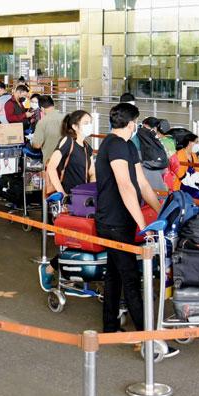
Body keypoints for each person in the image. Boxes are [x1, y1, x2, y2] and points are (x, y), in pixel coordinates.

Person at [95, 102, 161, 334]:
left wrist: (160, 211)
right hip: (113, 222)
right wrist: (143, 224)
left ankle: (110, 327)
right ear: (131, 123)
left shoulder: (128, 146)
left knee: (115, 275)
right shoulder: (114, 145)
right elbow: (125, 185)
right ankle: (149, 337)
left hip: (123, 221)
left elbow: (142, 183)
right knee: (131, 279)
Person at [44, 110, 94, 196]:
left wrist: (91, 191)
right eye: (86, 123)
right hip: (67, 195)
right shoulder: (68, 141)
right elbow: (51, 167)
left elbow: (92, 173)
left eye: (90, 122)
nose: (89, 125)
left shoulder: (87, 147)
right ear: (74, 126)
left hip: (82, 197)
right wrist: (62, 193)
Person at [29, 94, 65, 162]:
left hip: (50, 160)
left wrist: (32, 142)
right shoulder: (65, 118)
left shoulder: (42, 122)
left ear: (42, 108)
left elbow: (37, 145)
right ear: (53, 105)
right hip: (66, 159)